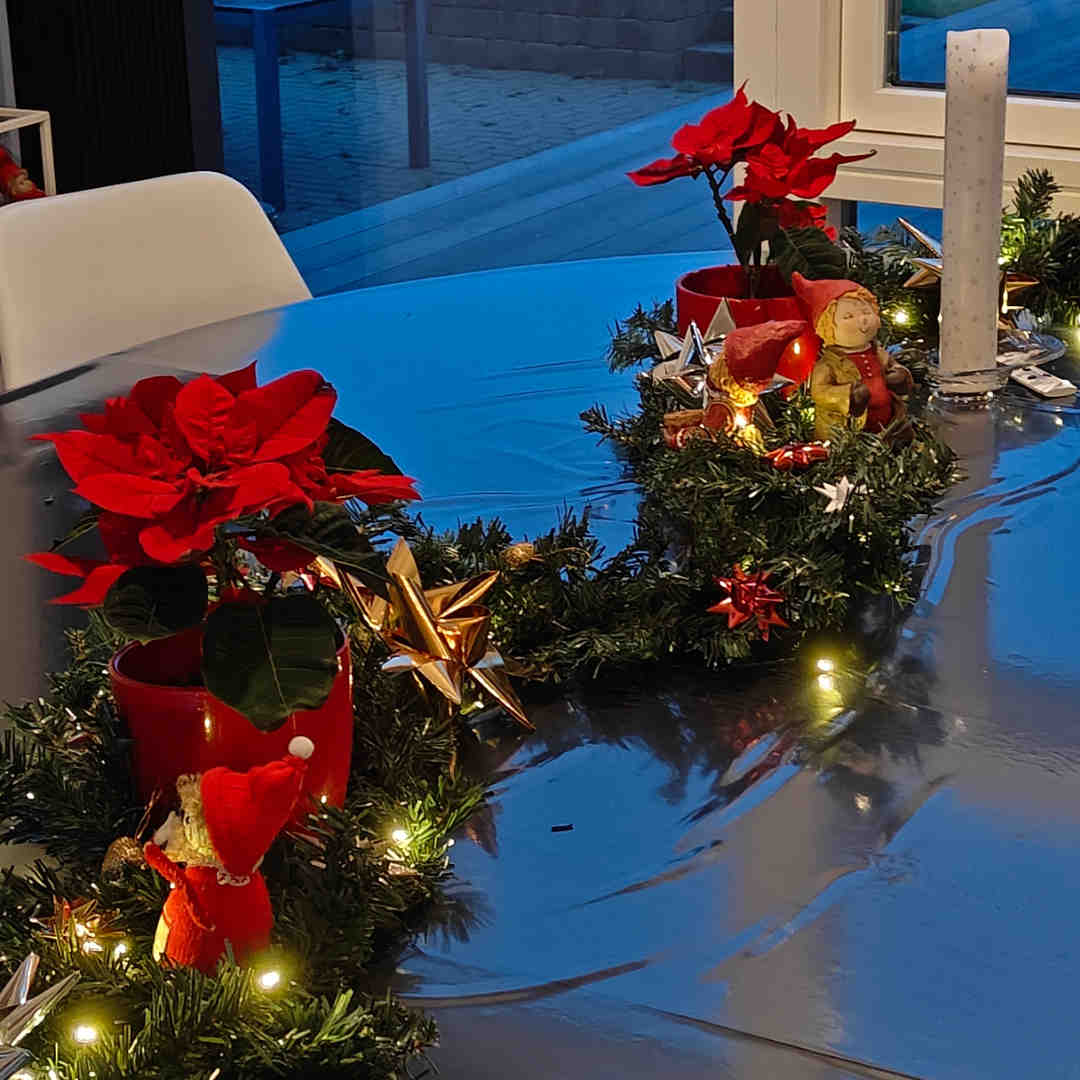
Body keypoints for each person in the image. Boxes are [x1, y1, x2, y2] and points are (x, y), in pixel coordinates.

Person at [792, 273, 913, 443]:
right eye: (848, 316)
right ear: (828, 326)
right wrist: (847, 395)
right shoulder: (828, 364)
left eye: (866, 312)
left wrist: (900, 375)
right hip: (846, 432)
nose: (862, 319)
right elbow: (819, 392)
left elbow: (894, 366)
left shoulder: (879, 353)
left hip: (889, 425)